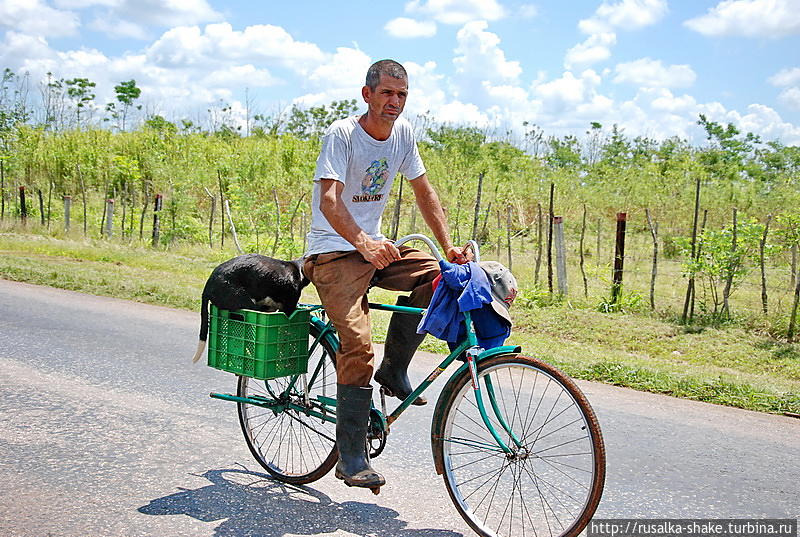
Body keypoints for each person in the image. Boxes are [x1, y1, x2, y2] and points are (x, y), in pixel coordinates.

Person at [303, 59, 467, 490]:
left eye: (402, 95)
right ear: (367, 94)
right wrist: (364, 244)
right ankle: (351, 457)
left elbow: (423, 190)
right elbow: (330, 202)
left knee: (439, 279)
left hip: (374, 249)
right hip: (335, 253)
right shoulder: (342, 134)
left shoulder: (404, 135)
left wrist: (448, 245)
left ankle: (394, 369)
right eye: (387, 93)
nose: (395, 102)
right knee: (357, 344)